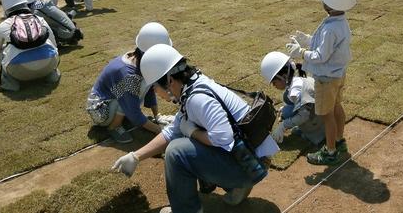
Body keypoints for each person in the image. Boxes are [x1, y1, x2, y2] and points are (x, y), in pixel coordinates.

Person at [111, 44, 279, 213]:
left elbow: (223, 138)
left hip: (250, 166)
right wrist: (136, 156)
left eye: (154, 86)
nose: (154, 91)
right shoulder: (193, 86)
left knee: (177, 151)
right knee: (184, 141)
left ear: (169, 80)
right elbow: (173, 130)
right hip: (250, 158)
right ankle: (235, 187)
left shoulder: (197, 99)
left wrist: (193, 132)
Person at [285, 0, 355, 165]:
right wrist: (307, 39)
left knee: (326, 115)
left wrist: (301, 52)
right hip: (337, 75)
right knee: (336, 107)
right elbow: (326, 46)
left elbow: (320, 56)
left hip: (325, 78)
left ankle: (330, 151)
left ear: (330, 2)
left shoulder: (331, 28)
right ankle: (339, 141)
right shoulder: (340, 21)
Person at [87, 22, 173, 143]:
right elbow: (134, 113)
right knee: (127, 96)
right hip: (100, 109)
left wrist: (157, 116)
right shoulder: (128, 75)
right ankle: (114, 127)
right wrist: (160, 131)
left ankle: (119, 118)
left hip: (112, 101)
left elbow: (150, 88)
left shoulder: (139, 60)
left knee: (141, 84)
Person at [0, 0, 59, 92]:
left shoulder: (4, 25)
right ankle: (52, 75)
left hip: (19, 71)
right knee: (49, 46)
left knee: (2, 50)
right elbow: (53, 42)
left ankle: (10, 84)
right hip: (49, 63)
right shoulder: (39, 19)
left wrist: (3, 66)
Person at [261, 51, 325, 146]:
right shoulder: (297, 81)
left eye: (274, 82)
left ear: (284, 76)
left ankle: (313, 133)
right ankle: (306, 128)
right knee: (286, 110)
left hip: (320, 124)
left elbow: (304, 115)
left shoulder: (296, 91)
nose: (274, 86)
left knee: (288, 113)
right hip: (320, 112)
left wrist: (283, 126)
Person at [14, 0, 83, 46]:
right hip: (69, 28)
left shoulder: (36, 12)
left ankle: (58, 43)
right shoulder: (44, 2)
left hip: (65, 33)